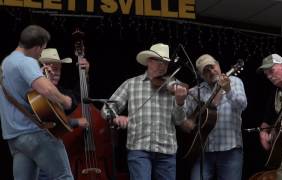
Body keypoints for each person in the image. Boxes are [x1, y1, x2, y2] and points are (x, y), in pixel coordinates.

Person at [0, 25, 83, 180]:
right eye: (42, 49)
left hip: (15, 137)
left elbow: (26, 95)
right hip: (36, 133)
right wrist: (65, 100)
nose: (40, 54)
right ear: (38, 46)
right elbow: (46, 90)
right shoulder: (26, 62)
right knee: (63, 177)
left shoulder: (6, 63)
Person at [101, 43, 188, 180]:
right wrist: (116, 117)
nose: (162, 65)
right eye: (158, 61)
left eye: (165, 62)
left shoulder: (174, 85)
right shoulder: (131, 84)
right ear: (149, 61)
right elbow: (107, 107)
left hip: (166, 151)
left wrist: (180, 102)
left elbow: (179, 120)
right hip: (139, 149)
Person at [182, 54, 247, 180]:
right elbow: (181, 116)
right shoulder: (196, 91)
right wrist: (187, 122)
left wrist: (228, 90)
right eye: (206, 70)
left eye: (212, 67)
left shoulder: (234, 82)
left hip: (230, 149)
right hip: (203, 150)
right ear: (201, 75)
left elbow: (242, 105)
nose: (211, 71)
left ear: (218, 65)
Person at [37, 48, 90, 180]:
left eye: (58, 69)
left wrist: (85, 74)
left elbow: (76, 98)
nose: (55, 73)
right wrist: (76, 122)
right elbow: (48, 123)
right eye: (51, 69)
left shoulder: (59, 92)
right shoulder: (33, 91)